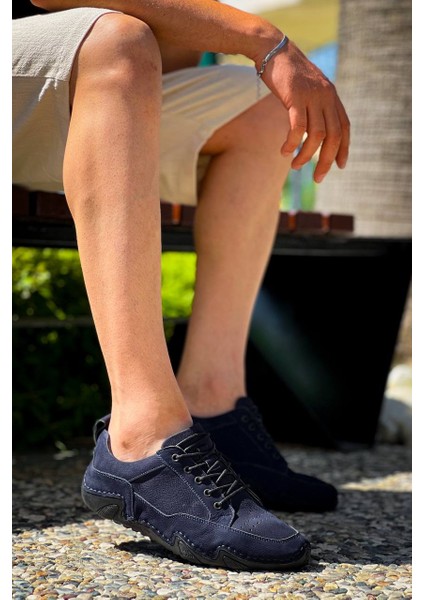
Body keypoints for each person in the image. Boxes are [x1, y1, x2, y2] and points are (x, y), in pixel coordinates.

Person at [13, 0, 350, 571]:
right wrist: (264, 39)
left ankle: (213, 402)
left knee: (269, 110)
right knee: (117, 41)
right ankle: (140, 438)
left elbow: (170, 55)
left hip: (69, 98)